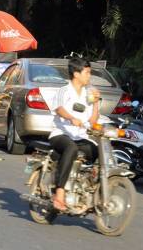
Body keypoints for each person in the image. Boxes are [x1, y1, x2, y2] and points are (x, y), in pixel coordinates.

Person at [48, 57, 99, 212]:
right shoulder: (64, 90)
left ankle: (86, 188)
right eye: (87, 72)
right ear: (76, 74)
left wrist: (96, 103)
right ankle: (60, 192)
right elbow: (59, 108)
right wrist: (71, 118)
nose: (89, 76)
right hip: (60, 134)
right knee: (71, 148)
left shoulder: (88, 95)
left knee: (97, 151)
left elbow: (92, 121)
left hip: (80, 136)